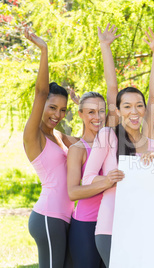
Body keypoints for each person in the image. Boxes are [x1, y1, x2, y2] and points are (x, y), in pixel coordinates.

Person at [82, 26, 154, 267]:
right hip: (110, 228)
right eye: (127, 106)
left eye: (139, 105)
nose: (134, 111)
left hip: (144, 228)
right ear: (118, 111)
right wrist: (108, 179)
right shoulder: (108, 136)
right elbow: (87, 179)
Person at [66, 24, 122, 267]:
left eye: (101, 111)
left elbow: (112, 89)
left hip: (112, 222)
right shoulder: (78, 148)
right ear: (80, 114)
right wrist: (107, 181)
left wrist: (105, 47)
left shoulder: (109, 134)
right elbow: (73, 192)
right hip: (86, 224)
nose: (97, 117)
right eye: (90, 112)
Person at [23, 27, 78, 267]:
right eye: (52, 107)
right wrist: (44, 49)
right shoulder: (33, 135)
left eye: (63, 109)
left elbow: (90, 144)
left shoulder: (58, 135)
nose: (58, 114)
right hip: (48, 216)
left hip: (64, 217)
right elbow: (41, 91)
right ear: (42, 106)